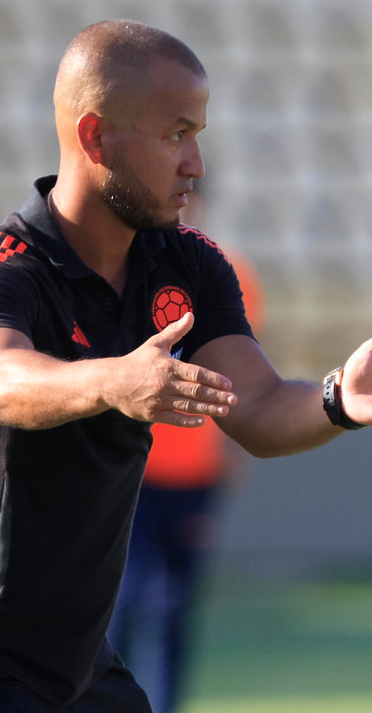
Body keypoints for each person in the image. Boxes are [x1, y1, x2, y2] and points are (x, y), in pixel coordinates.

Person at [0, 19, 372, 713]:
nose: (196, 164)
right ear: (96, 138)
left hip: (77, 663)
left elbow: (261, 408)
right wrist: (113, 380)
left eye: (199, 134)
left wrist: (337, 401)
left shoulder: (189, 264)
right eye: (177, 134)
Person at [106, 246, 263, 713]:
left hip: (195, 473)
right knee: (124, 601)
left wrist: (233, 453)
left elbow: (246, 369)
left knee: (172, 604)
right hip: (134, 469)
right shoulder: (123, 268)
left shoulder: (225, 275)